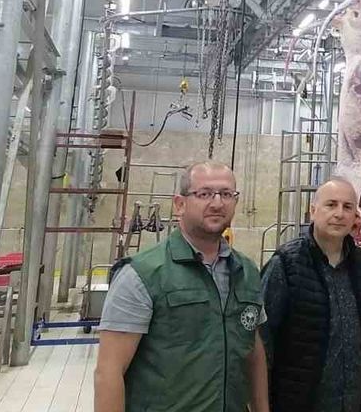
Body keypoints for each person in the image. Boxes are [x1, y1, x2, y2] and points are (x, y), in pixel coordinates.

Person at [95, 160, 269, 412]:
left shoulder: (247, 272)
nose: (217, 203)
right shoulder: (142, 275)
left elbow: (253, 353)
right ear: (180, 204)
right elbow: (109, 371)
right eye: (205, 194)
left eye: (226, 194)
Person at [260, 177, 361, 412]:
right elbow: (262, 339)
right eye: (331, 205)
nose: (339, 214)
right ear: (313, 211)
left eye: (347, 207)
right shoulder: (286, 263)